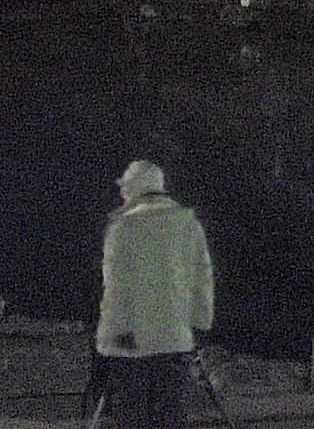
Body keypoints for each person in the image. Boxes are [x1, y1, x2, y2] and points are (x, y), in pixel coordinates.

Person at [93, 158, 214, 428]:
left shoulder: (122, 227)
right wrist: (199, 327)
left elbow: (115, 287)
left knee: (132, 416)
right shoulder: (188, 224)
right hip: (174, 336)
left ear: (133, 189)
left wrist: (109, 339)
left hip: (131, 340)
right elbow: (202, 281)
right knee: (171, 415)